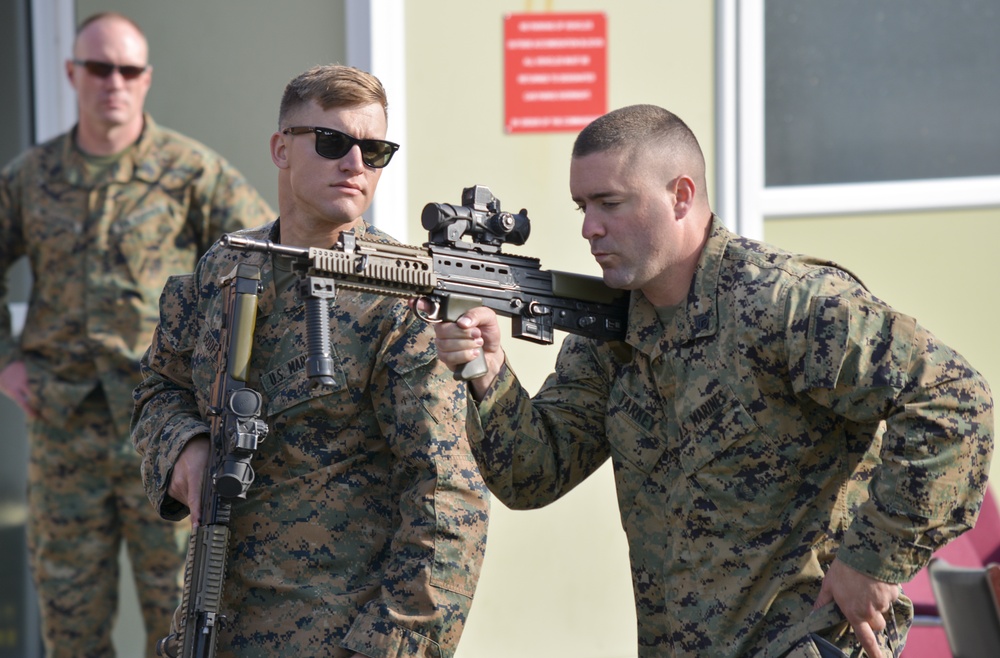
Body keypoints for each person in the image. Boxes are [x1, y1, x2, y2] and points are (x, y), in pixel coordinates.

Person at [428, 104, 994, 657]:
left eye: (610, 203)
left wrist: (872, 562)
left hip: (805, 638)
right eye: (581, 205)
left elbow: (954, 403)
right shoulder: (613, 335)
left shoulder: (785, 304)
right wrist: (485, 373)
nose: (588, 228)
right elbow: (536, 472)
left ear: (680, 196)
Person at [132, 64, 490, 658]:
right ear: (281, 148)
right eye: (332, 143)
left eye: (374, 151)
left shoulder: (403, 299)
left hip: (336, 637)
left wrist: (392, 647)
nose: (355, 164)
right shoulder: (227, 266)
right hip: (214, 624)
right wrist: (184, 444)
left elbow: (447, 500)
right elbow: (158, 388)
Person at [0, 11, 273, 658]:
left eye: (127, 69)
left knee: (180, 619)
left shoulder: (189, 172)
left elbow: (264, 256)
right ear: (72, 74)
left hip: (163, 432)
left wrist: (217, 367)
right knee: (71, 626)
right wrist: (6, 360)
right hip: (64, 432)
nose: (112, 82)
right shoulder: (31, 178)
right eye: (99, 68)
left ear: (146, 79)